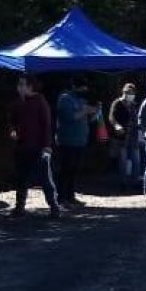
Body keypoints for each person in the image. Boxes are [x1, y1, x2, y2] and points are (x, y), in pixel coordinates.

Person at [9, 76, 61, 218]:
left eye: (22, 84)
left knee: (45, 178)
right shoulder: (17, 103)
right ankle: (20, 206)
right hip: (22, 146)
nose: (20, 87)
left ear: (30, 86)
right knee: (21, 178)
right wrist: (13, 131)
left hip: (38, 147)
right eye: (19, 84)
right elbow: (12, 121)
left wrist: (47, 145)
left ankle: (54, 206)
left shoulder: (40, 102)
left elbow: (46, 124)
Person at [55, 77, 95, 208]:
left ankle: (70, 196)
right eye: (83, 87)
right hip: (67, 140)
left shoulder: (82, 99)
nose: (85, 90)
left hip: (80, 141)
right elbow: (70, 117)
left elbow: (87, 118)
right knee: (66, 169)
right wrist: (85, 111)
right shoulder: (64, 99)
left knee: (74, 170)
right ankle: (60, 197)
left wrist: (95, 112)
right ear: (74, 87)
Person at [108, 83, 141, 191]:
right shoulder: (117, 103)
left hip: (134, 137)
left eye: (131, 93)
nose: (129, 95)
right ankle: (123, 183)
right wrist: (117, 126)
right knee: (123, 161)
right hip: (122, 138)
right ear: (123, 92)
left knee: (136, 161)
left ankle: (135, 182)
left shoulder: (135, 105)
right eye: (127, 92)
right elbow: (112, 117)